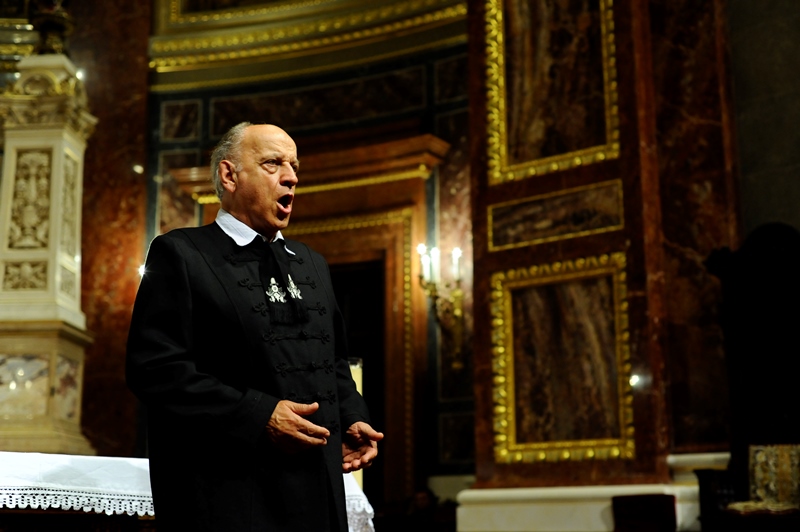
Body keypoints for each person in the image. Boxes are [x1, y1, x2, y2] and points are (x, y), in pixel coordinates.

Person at [126, 122, 383, 531]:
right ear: (229, 176)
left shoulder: (312, 263)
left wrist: (352, 416)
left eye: (294, 166)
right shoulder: (182, 254)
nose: (291, 176)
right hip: (230, 494)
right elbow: (155, 368)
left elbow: (334, 363)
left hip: (316, 491)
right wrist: (261, 415)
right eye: (273, 163)